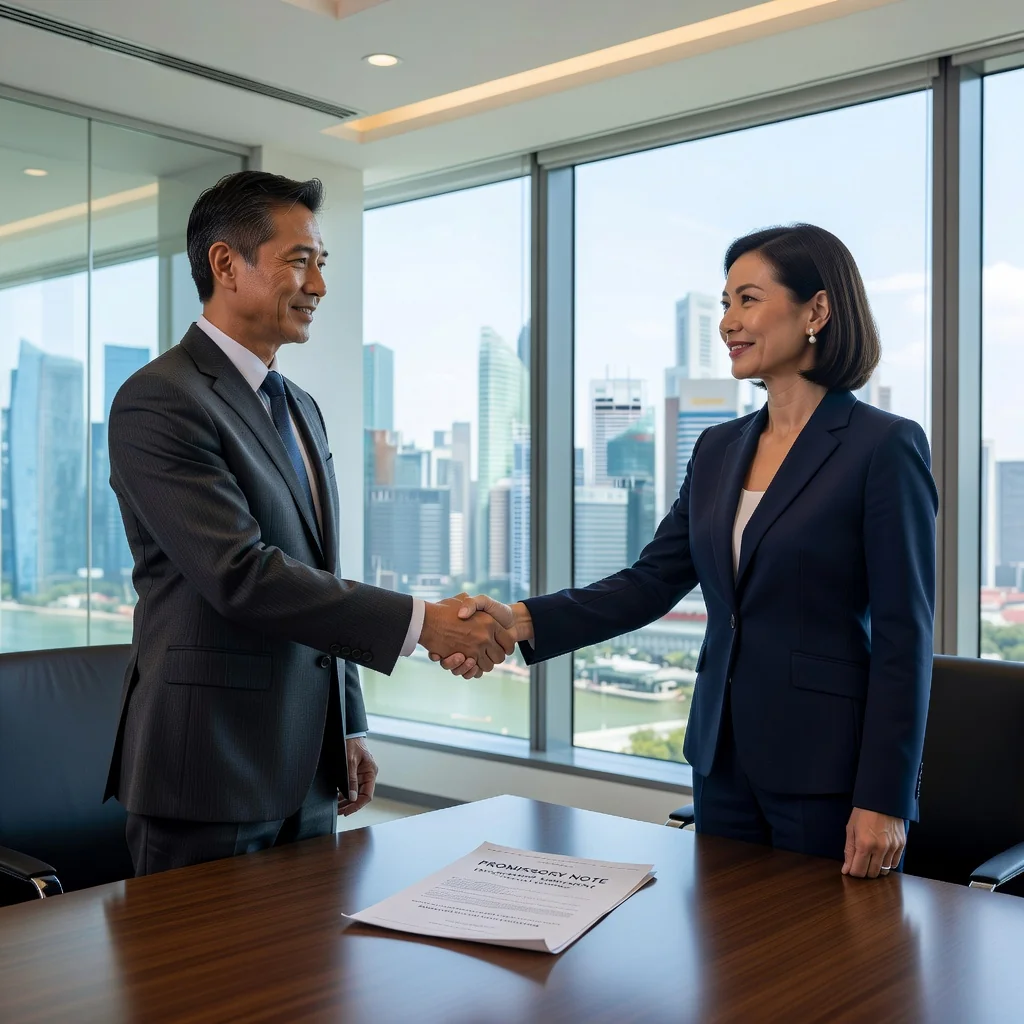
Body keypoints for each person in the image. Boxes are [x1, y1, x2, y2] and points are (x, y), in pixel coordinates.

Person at [438, 224, 937, 879]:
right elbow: (651, 582)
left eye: (748, 300)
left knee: (819, 971)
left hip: (828, 775)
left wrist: (884, 798)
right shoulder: (717, 449)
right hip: (719, 759)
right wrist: (521, 621)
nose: (727, 321)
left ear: (816, 310)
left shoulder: (883, 447)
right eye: (724, 303)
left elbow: (906, 637)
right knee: (724, 965)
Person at [104, 170, 513, 876]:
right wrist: (426, 624)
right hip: (209, 772)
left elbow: (318, 576)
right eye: (300, 261)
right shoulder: (159, 400)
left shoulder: (300, 407)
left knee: (308, 985)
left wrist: (347, 725)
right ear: (226, 264)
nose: (318, 286)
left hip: (309, 772)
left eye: (321, 264)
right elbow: (242, 576)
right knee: (200, 988)